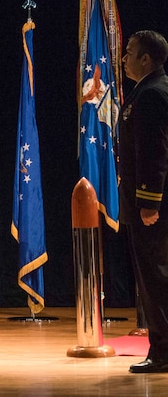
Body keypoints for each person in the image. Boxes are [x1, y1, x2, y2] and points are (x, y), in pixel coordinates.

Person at [118, 30, 168, 374]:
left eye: (129, 53)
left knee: (155, 279)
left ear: (146, 59)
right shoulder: (148, 90)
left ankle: (163, 351)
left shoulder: (151, 94)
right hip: (149, 203)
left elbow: (154, 153)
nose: (123, 59)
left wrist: (149, 201)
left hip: (152, 206)